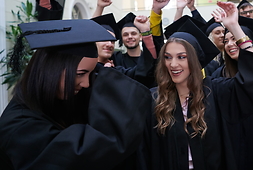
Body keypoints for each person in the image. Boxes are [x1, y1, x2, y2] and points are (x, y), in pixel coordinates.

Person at [139, 1, 253, 170]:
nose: (173, 64)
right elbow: (145, 153)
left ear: (195, 60)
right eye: (168, 57)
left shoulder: (216, 92)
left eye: (182, 57)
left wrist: (235, 27)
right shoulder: (155, 99)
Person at [0, 19, 151, 169]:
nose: (86, 83)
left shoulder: (57, 101)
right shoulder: (20, 126)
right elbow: (77, 157)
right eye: (80, 74)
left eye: (90, 74)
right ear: (51, 70)